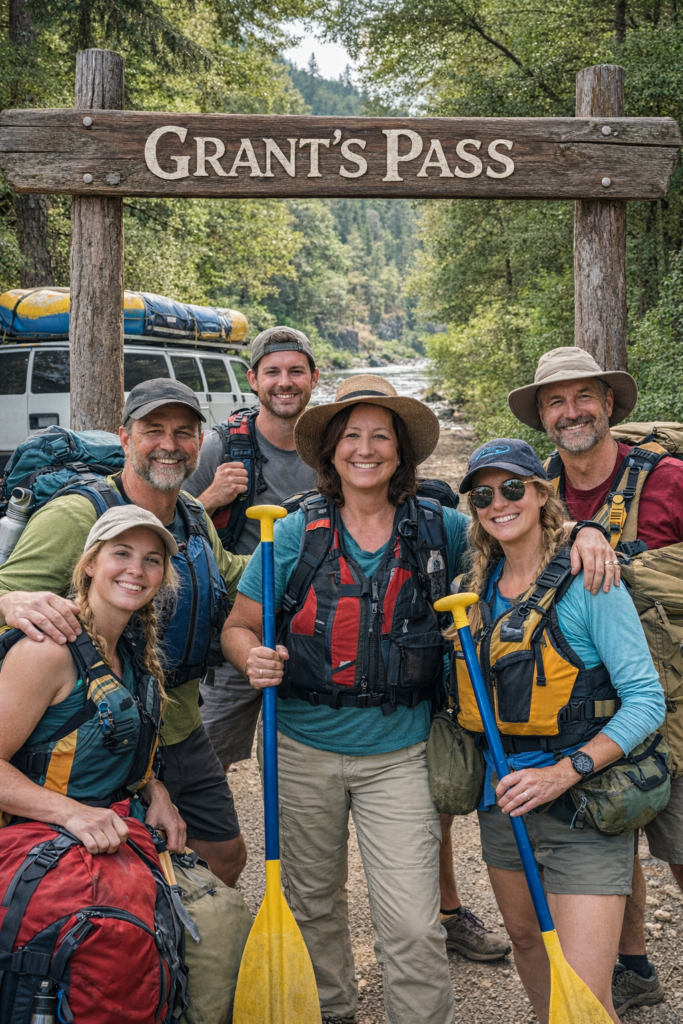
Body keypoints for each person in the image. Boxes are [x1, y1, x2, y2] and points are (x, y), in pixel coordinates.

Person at [221, 376, 619, 1024]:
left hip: (400, 751)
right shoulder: (293, 533)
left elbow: (519, 532)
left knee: (411, 920)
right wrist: (250, 657)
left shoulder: (442, 529)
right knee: (313, 903)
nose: (366, 449)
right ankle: (332, 1010)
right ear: (331, 452)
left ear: (401, 452)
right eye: (352, 436)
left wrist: (587, 532)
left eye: (381, 436)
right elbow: (238, 626)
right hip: (299, 748)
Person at [0, 379, 250, 888]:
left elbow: (232, 575)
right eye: (153, 429)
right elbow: (10, 588)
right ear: (124, 438)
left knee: (224, 856)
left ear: (199, 442)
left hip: (176, 722)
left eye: (184, 432)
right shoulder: (76, 515)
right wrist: (7, 601)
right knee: (109, 875)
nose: (169, 444)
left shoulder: (192, 513)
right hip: (93, 729)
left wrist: (297, 541)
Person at [450, 438, 666, 1024]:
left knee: (586, 997)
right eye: (483, 496)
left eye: (512, 488)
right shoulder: (475, 587)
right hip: (505, 805)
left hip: (584, 808)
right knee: (527, 944)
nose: (499, 503)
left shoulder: (589, 580)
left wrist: (565, 772)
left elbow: (646, 701)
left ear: (542, 493)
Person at [508, 346, 683, 1013]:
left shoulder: (668, 480)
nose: (570, 411)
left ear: (609, 403)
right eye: (555, 401)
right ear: (541, 417)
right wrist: (580, 529)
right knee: (613, 830)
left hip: (672, 705)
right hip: (585, 708)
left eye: (583, 396)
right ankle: (633, 967)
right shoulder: (536, 491)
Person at [0, 504, 184, 851]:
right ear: (90, 564)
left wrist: (154, 789)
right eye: (121, 553)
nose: (136, 570)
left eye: (151, 559)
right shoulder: (48, 651)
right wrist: (71, 813)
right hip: (34, 842)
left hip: (107, 829)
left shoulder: (131, 650)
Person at [185, 327, 319, 771]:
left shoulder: (332, 448)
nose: (285, 382)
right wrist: (211, 498)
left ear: (314, 378)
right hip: (238, 627)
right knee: (207, 757)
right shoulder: (221, 447)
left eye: (296, 371)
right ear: (253, 380)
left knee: (304, 761)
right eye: (273, 372)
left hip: (312, 628)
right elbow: (166, 526)